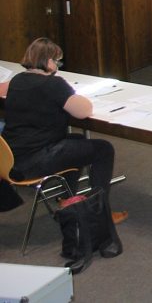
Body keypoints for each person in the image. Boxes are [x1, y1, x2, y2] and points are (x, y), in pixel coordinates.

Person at [0, 38, 126, 223]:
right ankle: (100, 212)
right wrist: (70, 92)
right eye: (57, 61)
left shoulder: (18, 80)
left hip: (12, 158)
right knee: (104, 149)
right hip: (35, 161)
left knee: (76, 141)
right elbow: (84, 111)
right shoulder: (54, 84)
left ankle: (68, 199)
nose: (58, 66)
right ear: (49, 61)